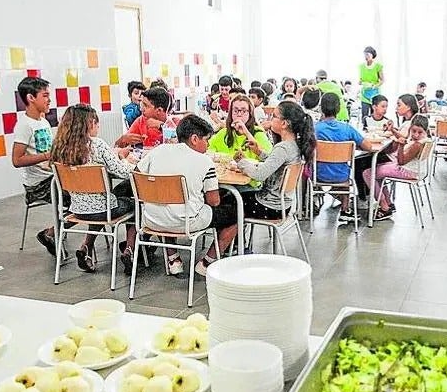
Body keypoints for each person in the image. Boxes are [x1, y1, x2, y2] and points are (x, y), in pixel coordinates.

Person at [135, 114, 239, 277]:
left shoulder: (158, 151)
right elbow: (214, 201)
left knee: (167, 206)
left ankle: (173, 259)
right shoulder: (205, 162)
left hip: (152, 220)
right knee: (235, 215)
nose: (208, 144)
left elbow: (136, 175)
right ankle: (207, 262)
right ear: (195, 139)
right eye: (206, 139)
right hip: (186, 223)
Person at [221, 101, 314, 271]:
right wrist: (258, 152)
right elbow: (273, 162)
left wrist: (240, 161)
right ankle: (229, 249)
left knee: (228, 204)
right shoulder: (293, 146)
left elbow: (260, 174)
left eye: (274, 116)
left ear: (284, 123)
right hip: (282, 204)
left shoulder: (283, 148)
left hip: (268, 206)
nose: (271, 119)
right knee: (235, 199)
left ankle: (217, 256)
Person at [47, 103, 137, 274]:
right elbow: (124, 172)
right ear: (89, 124)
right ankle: (130, 251)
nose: (98, 126)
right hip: (104, 210)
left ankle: (86, 247)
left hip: (77, 210)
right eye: (96, 122)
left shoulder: (59, 147)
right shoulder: (97, 144)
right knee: (136, 204)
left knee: (109, 198)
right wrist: (125, 159)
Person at [12, 76, 59, 254]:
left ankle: (55, 232)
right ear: (31, 98)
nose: (49, 100)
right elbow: (17, 160)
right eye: (45, 95)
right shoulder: (24, 126)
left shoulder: (43, 122)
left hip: (52, 177)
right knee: (82, 200)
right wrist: (47, 155)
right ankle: (51, 233)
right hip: (39, 185)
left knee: (84, 193)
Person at [315, 91, 375, 221]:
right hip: (342, 176)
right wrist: (353, 145)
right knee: (344, 171)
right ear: (339, 109)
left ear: (320, 108)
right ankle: (345, 209)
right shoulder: (347, 128)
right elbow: (369, 147)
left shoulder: (314, 129)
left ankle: (307, 206)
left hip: (318, 175)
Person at [364, 116, 429, 221]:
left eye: (419, 132)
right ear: (410, 129)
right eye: (413, 131)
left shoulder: (417, 145)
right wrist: (393, 130)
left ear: (425, 131)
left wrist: (400, 146)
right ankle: (388, 203)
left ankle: (384, 206)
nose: (416, 135)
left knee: (368, 173)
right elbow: (406, 139)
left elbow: (401, 161)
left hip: (407, 171)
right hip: (416, 171)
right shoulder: (425, 139)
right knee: (377, 169)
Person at [208, 94, 272, 160]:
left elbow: (270, 161)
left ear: (250, 113)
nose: (239, 114)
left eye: (244, 111)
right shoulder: (224, 133)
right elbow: (209, 152)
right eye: (235, 111)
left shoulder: (258, 133)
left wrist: (247, 133)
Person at [358, 46, 383, 123]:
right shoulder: (361, 66)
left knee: (375, 114)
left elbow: (382, 80)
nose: (366, 57)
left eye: (368, 55)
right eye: (365, 55)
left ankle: (374, 130)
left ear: (372, 55)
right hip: (364, 94)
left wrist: (374, 86)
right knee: (364, 114)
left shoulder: (378, 66)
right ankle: (364, 129)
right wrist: (360, 82)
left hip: (375, 93)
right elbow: (361, 79)